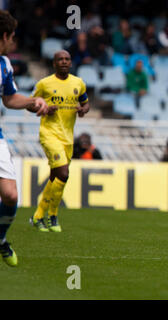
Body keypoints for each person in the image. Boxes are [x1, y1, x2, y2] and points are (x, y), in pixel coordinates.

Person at [0, 10, 51, 267]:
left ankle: (0, 239)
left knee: (10, 195)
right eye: (12, 37)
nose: (14, 42)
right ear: (4, 35)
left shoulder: (5, 64)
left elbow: (9, 99)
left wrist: (33, 101)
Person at [30, 50, 90, 233]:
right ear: (54, 63)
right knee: (63, 174)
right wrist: (44, 108)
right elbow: (31, 104)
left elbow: (86, 103)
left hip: (67, 137)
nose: (64, 62)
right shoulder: (44, 84)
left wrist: (83, 110)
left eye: (67, 59)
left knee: (56, 177)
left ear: (71, 63)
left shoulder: (78, 83)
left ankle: (48, 216)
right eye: (60, 59)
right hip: (49, 134)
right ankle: (44, 215)